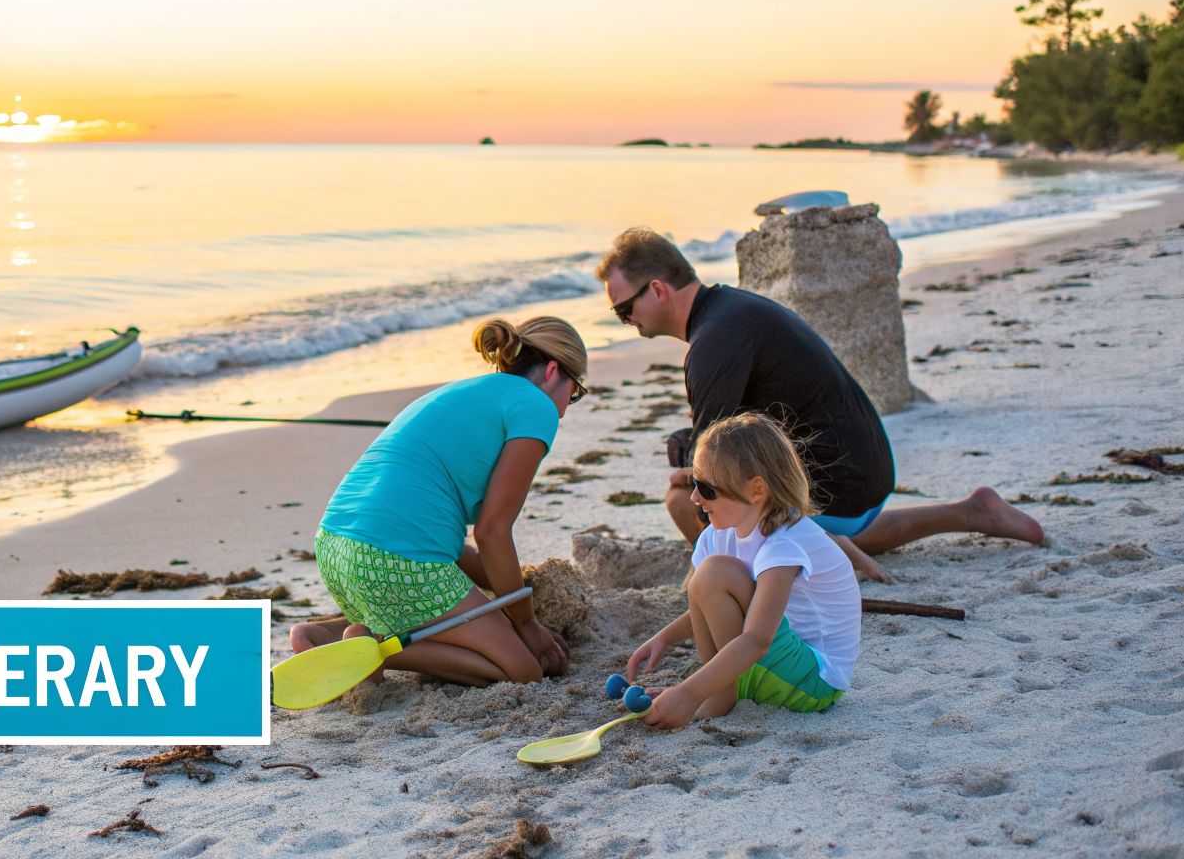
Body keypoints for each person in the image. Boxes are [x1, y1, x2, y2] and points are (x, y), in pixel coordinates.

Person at [597, 227, 1042, 579]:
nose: (625, 320)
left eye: (623, 309)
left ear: (657, 290)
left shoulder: (711, 344)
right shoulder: (733, 310)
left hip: (838, 491)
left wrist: (697, 487)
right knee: (729, 486)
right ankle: (968, 512)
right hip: (865, 476)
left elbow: (710, 482)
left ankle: (767, 573)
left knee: (681, 496)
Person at [288, 316, 587, 686]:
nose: (564, 409)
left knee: (435, 609)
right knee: (524, 671)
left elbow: (436, 538)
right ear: (554, 370)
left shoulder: (458, 392)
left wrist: (520, 586)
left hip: (335, 549)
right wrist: (527, 624)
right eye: (573, 394)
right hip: (396, 563)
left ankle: (324, 636)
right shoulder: (536, 405)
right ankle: (378, 645)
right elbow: (492, 532)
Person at [625, 413, 859, 727]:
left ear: (756, 490)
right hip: (775, 663)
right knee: (706, 576)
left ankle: (719, 695)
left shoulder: (784, 543)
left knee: (714, 573)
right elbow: (707, 603)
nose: (694, 497)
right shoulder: (717, 536)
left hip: (813, 682)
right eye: (694, 482)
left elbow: (758, 639)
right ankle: (719, 690)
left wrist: (688, 694)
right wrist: (664, 639)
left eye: (707, 489)